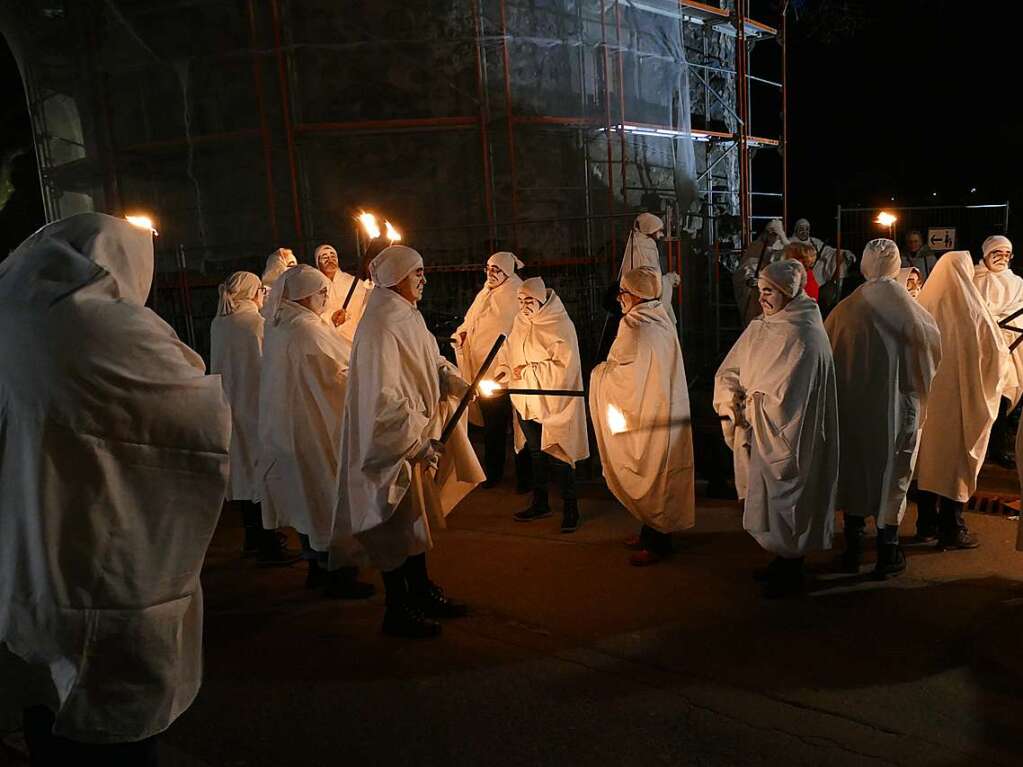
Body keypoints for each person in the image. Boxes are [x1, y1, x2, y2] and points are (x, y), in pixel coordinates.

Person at [0, 213, 231, 762]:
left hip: (25, 542)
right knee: (112, 711)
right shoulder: (106, 326)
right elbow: (191, 407)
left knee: (44, 691)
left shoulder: (12, 317)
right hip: (103, 543)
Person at [333, 245, 484, 639]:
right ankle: (397, 608)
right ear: (397, 277)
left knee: (414, 525)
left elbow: (429, 359)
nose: (424, 280)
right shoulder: (381, 324)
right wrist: (414, 441)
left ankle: (420, 590)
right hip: (394, 446)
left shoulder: (406, 315)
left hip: (415, 435)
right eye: (417, 273)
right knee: (394, 526)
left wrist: (452, 379)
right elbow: (381, 399)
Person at [714, 259, 839, 597]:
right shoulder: (763, 326)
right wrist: (732, 393)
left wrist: (753, 404)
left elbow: (792, 396)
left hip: (788, 434)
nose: (762, 299)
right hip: (760, 428)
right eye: (760, 291)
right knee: (767, 501)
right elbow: (734, 366)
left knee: (790, 501)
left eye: (769, 292)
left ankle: (791, 566)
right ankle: (780, 560)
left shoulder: (806, 335)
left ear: (788, 292)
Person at [824, 239, 942, 578]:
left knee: (855, 470)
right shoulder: (912, 311)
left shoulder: (845, 310)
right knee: (895, 472)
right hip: (899, 410)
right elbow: (930, 356)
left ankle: (853, 545)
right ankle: (888, 549)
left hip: (853, 409)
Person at [259, 265, 373, 599]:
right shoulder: (306, 329)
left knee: (307, 499)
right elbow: (341, 368)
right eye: (320, 292)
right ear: (302, 295)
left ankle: (315, 567)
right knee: (326, 497)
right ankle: (335, 572)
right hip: (315, 427)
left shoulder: (281, 324)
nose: (326, 297)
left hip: (289, 428)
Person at [590, 268, 696, 566]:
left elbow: (627, 375)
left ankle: (659, 542)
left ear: (635, 294)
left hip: (647, 413)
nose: (621, 299)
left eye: (624, 293)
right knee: (656, 472)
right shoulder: (659, 318)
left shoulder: (638, 326)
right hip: (658, 407)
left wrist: (600, 374)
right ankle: (649, 530)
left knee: (653, 474)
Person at [914, 251, 1012, 549]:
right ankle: (952, 528)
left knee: (926, 462)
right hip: (959, 406)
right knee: (953, 463)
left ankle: (925, 524)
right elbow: (995, 354)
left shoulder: (922, 306)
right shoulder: (973, 311)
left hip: (927, 405)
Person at [211, 271, 297, 566]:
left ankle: (252, 539)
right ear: (252, 292)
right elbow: (270, 365)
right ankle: (268, 543)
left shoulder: (219, 323)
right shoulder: (255, 324)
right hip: (257, 408)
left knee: (244, 472)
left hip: (231, 407)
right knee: (262, 472)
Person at [494, 277, 589, 533]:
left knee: (558, 453)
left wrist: (527, 371)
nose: (524, 306)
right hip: (526, 401)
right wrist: (504, 369)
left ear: (542, 301)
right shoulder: (520, 321)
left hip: (553, 402)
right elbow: (509, 350)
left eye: (529, 301)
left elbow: (564, 366)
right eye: (520, 301)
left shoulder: (560, 324)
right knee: (535, 453)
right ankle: (541, 503)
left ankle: (571, 508)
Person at [453, 251, 530, 488]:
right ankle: (494, 474)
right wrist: (462, 334)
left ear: (508, 272)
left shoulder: (517, 293)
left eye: (497, 269)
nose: (491, 273)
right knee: (493, 426)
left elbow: (519, 328)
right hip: (485, 373)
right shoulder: (485, 293)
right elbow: (471, 320)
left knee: (520, 427)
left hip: (508, 372)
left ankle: (525, 479)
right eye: (488, 268)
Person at [972, 235, 1022, 466]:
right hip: (979, 349)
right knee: (979, 399)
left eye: (1006, 254)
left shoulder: (1017, 282)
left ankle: (997, 447)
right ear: (985, 254)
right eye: (996, 253)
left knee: (1002, 397)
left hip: (1008, 348)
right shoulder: (973, 278)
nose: (1002, 258)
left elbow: (1018, 311)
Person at [734, 218, 788, 327]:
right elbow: (745, 269)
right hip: (756, 295)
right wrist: (749, 280)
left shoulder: (784, 250)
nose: (771, 235)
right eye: (769, 232)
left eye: (775, 233)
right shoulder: (756, 247)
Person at [315, 242, 371, 345]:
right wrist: (330, 317)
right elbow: (313, 313)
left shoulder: (353, 282)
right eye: (324, 257)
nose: (330, 260)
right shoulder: (316, 289)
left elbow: (366, 304)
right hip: (330, 341)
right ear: (318, 263)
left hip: (355, 338)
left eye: (333, 256)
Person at [260, 247, 298, 318]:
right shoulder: (265, 295)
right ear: (277, 267)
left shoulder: (294, 289)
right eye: (291, 265)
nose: (296, 269)